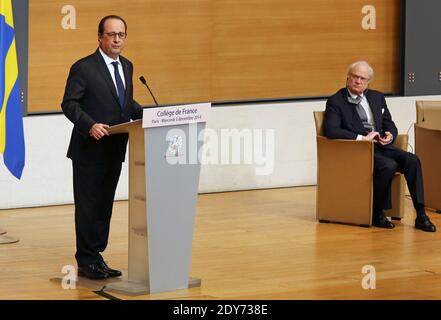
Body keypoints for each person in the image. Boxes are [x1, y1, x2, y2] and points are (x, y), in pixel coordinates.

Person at [61, 15, 143, 279]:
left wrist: (151, 115)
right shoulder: (84, 67)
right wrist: (90, 124)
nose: (117, 39)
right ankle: (86, 260)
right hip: (89, 149)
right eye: (111, 35)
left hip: (115, 148)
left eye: (121, 35)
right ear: (100, 37)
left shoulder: (127, 66)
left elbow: (125, 104)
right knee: (89, 206)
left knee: (104, 206)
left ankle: (96, 257)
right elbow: (70, 103)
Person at [324, 60, 436, 232]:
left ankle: (421, 215)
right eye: (355, 76)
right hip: (358, 150)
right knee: (388, 165)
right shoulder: (336, 101)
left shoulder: (377, 97)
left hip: (382, 147)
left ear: (369, 82)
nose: (358, 81)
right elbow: (331, 130)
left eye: (363, 78)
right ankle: (377, 213)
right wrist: (363, 138)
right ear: (347, 77)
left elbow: (388, 123)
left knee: (412, 160)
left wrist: (390, 135)